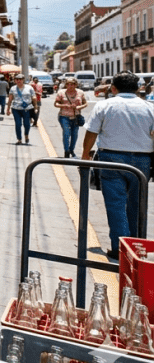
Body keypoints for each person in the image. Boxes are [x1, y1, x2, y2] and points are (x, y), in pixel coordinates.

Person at [80, 71, 154, 260]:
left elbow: (91, 133)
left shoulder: (104, 105)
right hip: (142, 161)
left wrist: (85, 156)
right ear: (138, 89)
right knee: (137, 204)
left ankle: (120, 248)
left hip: (111, 159)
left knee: (116, 205)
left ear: (113, 88)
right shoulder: (149, 108)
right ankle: (136, 246)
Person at [54, 77, 89, 158]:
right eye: (68, 84)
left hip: (75, 116)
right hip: (64, 116)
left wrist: (79, 107)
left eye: (72, 84)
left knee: (74, 134)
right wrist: (64, 105)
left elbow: (85, 103)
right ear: (66, 85)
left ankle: (71, 149)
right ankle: (66, 151)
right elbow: (56, 104)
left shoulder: (80, 93)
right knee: (66, 133)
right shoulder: (61, 92)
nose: (70, 86)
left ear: (75, 85)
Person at [9, 74, 37, 145]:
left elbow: (34, 97)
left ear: (23, 80)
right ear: (15, 80)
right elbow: (10, 99)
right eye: (17, 79)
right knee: (18, 124)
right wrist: (8, 109)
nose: (19, 81)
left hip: (27, 109)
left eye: (20, 79)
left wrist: (35, 107)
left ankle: (26, 136)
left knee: (27, 124)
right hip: (16, 109)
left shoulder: (29, 88)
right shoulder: (13, 88)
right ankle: (19, 139)